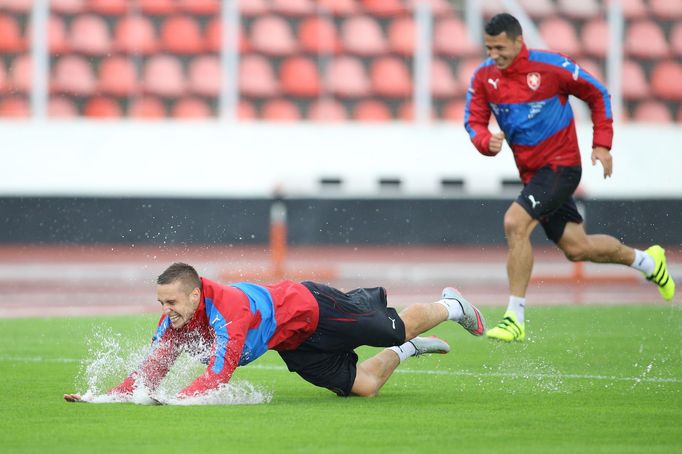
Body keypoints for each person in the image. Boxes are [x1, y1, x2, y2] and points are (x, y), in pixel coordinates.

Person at [464, 13, 675, 342]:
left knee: (514, 223)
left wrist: (602, 144)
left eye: (500, 48)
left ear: (519, 41)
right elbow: (474, 121)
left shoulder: (550, 67)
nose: (494, 55)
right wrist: (484, 141)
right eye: (489, 48)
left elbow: (597, 93)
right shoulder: (483, 78)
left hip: (562, 167)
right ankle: (649, 262)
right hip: (534, 176)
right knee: (578, 248)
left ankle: (514, 317)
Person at [64, 262, 486, 402]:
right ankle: (412, 350)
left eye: (171, 302)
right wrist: (102, 397)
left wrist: (175, 401)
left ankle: (451, 305)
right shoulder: (173, 323)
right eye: (160, 303)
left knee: (391, 328)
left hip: (312, 308)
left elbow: (219, 376)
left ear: (195, 295)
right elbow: (149, 372)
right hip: (293, 343)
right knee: (365, 387)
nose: (165, 310)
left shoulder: (226, 310)